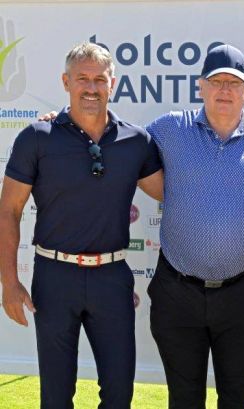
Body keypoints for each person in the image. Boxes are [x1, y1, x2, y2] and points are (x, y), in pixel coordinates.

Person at [0, 42, 163, 409]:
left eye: (100, 80)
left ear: (113, 84)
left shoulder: (136, 141)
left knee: (119, 394)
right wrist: (9, 282)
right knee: (56, 397)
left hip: (112, 278)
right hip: (54, 278)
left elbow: (169, 192)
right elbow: (9, 210)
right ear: (66, 82)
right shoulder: (37, 138)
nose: (92, 88)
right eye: (82, 79)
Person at [145, 44, 244, 409]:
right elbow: (118, 144)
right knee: (184, 400)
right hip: (177, 291)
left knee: (238, 399)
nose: (224, 90)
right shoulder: (169, 129)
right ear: (201, 86)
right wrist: (64, 119)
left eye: (234, 82)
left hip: (241, 294)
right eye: (216, 81)